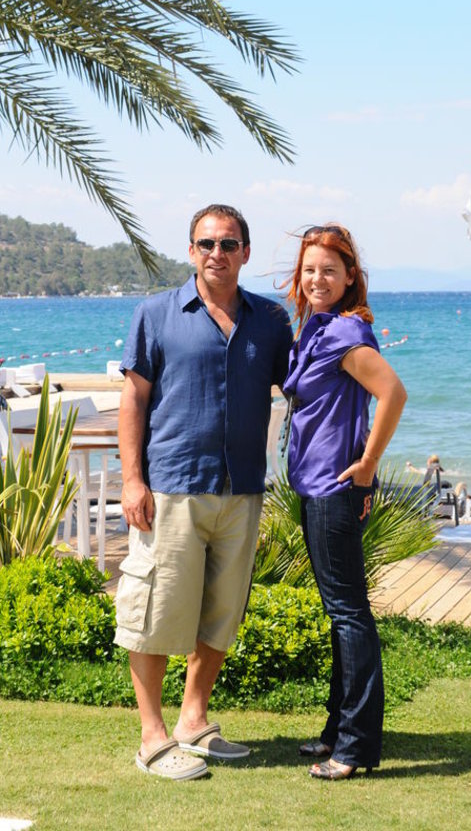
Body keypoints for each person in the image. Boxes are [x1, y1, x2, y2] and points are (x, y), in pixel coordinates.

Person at [114, 203, 293, 781]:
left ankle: (193, 720)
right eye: (207, 243)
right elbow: (134, 399)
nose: (218, 253)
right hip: (172, 488)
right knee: (155, 613)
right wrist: (132, 480)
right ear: (191, 251)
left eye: (229, 243)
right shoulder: (156, 314)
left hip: (242, 490)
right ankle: (152, 737)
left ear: (246, 252)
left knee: (220, 615)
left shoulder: (271, 321)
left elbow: (303, 387)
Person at [282, 224, 407, 780]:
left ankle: (354, 747)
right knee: (341, 614)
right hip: (314, 487)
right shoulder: (318, 329)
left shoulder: (344, 332)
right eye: (310, 269)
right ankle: (338, 730)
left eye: (329, 270)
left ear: (350, 276)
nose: (318, 279)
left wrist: (368, 465)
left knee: (349, 615)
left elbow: (393, 392)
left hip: (334, 488)